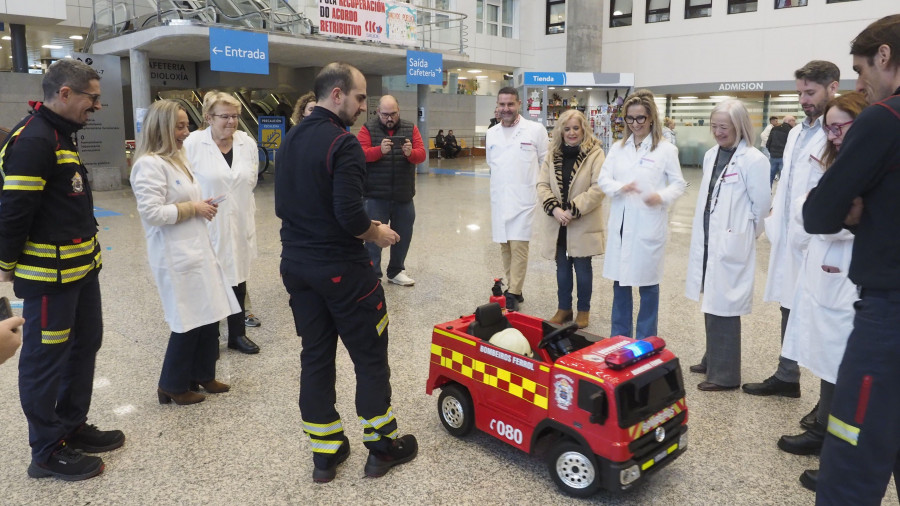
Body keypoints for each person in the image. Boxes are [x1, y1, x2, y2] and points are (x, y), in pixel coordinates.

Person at [275, 62, 417, 483]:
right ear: (336, 95)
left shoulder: (290, 139)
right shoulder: (344, 143)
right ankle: (382, 448)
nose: (362, 108)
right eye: (358, 98)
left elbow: (283, 205)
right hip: (343, 271)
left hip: (297, 268)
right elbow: (350, 215)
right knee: (370, 358)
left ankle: (326, 453)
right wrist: (378, 233)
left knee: (315, 356)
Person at [0, 59, 124, 481]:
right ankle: (46, 450)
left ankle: (71, 425)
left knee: (85, 343)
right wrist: (3, 267)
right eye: (93, 98)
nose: (98, 106)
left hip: (80, 272)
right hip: (49, 279)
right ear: (66, 94)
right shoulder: (34, 140)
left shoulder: (61, 135)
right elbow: (14, 210)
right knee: (44, 359)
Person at [803, 14, 900, 504]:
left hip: (889, 314)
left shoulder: (885, 118)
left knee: (853, 447)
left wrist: (857, 209)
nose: (863, 84)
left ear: (885, 57)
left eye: (863, 70)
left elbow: (819, 211)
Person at [775, 92, 867, 490]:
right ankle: (823, 433)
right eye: (829, 128)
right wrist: (816, 212)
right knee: (828, 364)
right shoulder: (835, 157)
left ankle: (841, 460)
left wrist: (819, 214)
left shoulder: (870, 161)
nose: (831, 136)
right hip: (822, 272)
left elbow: (838, 218)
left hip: (849, 279)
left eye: (838, 127)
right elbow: (805, 206)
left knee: (846, 370)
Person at [131, 100, 240, 406]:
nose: (186, 131)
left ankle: (203, 374)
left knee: (210, 315)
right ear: (162, 127)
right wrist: (193, 207)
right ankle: (172, 385)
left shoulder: (178, 158)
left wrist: (202, 203)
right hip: (175, 256)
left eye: (185, 124)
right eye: (179, 126)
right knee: (188, 319)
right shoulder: (149, 164)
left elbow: (182, 197)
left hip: (197, 249)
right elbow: (152, 212)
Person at [745, 61, 839, 398]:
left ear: (833, 87)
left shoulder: (836, 132)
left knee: (819, 316)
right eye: (800, 92)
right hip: (790, 238)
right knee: (788, 305)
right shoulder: (799, 131)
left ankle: (826, 401)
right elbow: (787, 180)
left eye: (810, 92)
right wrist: (774, 212)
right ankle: (787, 375)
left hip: (820, 241)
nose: (803, 100)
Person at [685, 99, 771, 391]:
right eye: (715, 126)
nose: (718, 132)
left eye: (724, 127)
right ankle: (713, 359)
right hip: (710, 236)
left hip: (731, 238)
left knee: (725, 304)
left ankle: (725, 375)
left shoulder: (754, 160)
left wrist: (744, 234)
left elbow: (762, 207)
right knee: (712, 299)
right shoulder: (712, 154)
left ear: (740, 127)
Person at [598, 90, 686, 339]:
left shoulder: (666, 150)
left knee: (648, 286)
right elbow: (603, 179)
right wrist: (620, 187)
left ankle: (646, 340)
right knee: (620, 284)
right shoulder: (618, 148)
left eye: (640, 119)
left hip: (648, 224)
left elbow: (679, 184)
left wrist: (660, 196)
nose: (635, 124)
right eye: (630, 119)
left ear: (651, 119)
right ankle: (619, 338)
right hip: (622, 224)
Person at [184, 91, 261, 354]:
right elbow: (183, 184)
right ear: (208, 117)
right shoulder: (193, 143)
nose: (231, 122)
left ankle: (237, 334)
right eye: (224, 116)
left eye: (235, 116)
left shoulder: (246, 143)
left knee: (238, 280)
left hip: (239, 221)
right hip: (206, 223)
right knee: (210, 280)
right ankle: (209, 338)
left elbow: (250, 181)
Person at [536, 110, 608, 329]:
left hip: (581, 221)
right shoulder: (552, 154)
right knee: (562, 269)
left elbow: (599, 188)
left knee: (583, 269)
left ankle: (583, 310)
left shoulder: (595, 154)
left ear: (583, 128)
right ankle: (564, 308)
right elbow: (542, 185)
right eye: (567, 129)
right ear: (560, 131)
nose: (572, 133)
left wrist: (572, 210)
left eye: (576, 128)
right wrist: (555, 209)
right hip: (558, 223)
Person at [486, 86, 549, 311]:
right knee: (505, 246)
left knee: (519, 246)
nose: (506, 109)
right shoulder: (491, 133)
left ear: (519, 104)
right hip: (500, 199)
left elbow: (546, 162)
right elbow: (491, 164)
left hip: (525, 199)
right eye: (502, 104)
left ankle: (512, 292)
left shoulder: (535, 130)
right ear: (497, 105)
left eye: (510, 104)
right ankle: (516, 288)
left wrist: (544, 193)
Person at [356, 95, 426, 286]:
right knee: (373, 237)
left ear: (399, 111)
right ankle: (373, 274)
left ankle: (396, 271)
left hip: (404, 195)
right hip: (375, 196)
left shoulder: (410, 128)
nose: (389, 118)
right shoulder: (367, 128)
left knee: (403, 235)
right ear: (378, 112)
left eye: (393, 114)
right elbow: (359, 154)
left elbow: (422, 155)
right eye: (385, 114)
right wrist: (379, 150)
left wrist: (411, 153)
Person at [766, 114, 796, 184]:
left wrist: (772, 152)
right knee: (783, 178)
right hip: (784, 158)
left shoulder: (774, 128)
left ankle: (768, 192)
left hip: (773, 156)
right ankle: (780, 194)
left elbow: (768, 143)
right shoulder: (792, 131)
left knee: (770, 175)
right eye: (794, 121)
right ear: (790, 121)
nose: (795, 123)